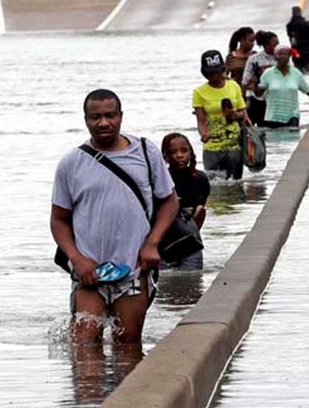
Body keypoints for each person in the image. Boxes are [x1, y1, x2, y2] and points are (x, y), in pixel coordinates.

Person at [50, 88, 179, 346]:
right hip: (89, 274)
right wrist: (77, 259)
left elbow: (169, 201)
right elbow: (59, 220)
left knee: (128, 344)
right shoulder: (71, 163)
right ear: (85, 120)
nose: (104, 123)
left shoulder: (145, 152)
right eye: (95, 117)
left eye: (110, 115)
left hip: (134, 271)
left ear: (121, 116)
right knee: (84, 345)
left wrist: (152, 243)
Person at [193, 49, 249, 180]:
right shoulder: (199, 92)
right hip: (212, 148)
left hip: (234, 146)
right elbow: (201, 120)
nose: (214, 76)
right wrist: (204, 134)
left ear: (223, 69)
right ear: (204, 73)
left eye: (217, 72)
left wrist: (234, 115)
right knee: (215, 186)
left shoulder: (233, 86)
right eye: (210, 73)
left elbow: (244, 114)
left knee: (235, 183)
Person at [255, 44, 309, 129]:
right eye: (279, 54)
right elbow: (258, 94)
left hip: (292, 115)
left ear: (289, 56)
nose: (282, 56)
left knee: (292, 137)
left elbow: (308, 90)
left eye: (285, 54)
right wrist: (257, 86)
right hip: (273, 116)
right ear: (275, 57)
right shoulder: (268, 74)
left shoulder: (296, 73)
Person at [160, 132, 210, 270]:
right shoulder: (161, 181)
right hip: (163, 241)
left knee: (192, 278)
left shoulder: (200, 179)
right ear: (165, 156)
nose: (179, 155)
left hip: (190, 238)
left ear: (191, 153)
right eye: (173, 152)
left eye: (184, 151)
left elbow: (200, 213)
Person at [241, 30, 278, 125]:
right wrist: (243, 103)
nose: (277, 47)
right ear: (265, 45)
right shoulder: (254, 59)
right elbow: (245, 81)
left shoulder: (282, 58)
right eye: (274, 44)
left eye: (278, 44)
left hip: (276, 100)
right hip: (258, 101)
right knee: (260, 129)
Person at [286, 6, 309, 72]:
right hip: (307, 52)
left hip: (296, 52)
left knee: (298, 72)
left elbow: (292, 38)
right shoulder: (306, 23)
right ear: (300, 13)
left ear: (292, 13)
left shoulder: (289, 25)